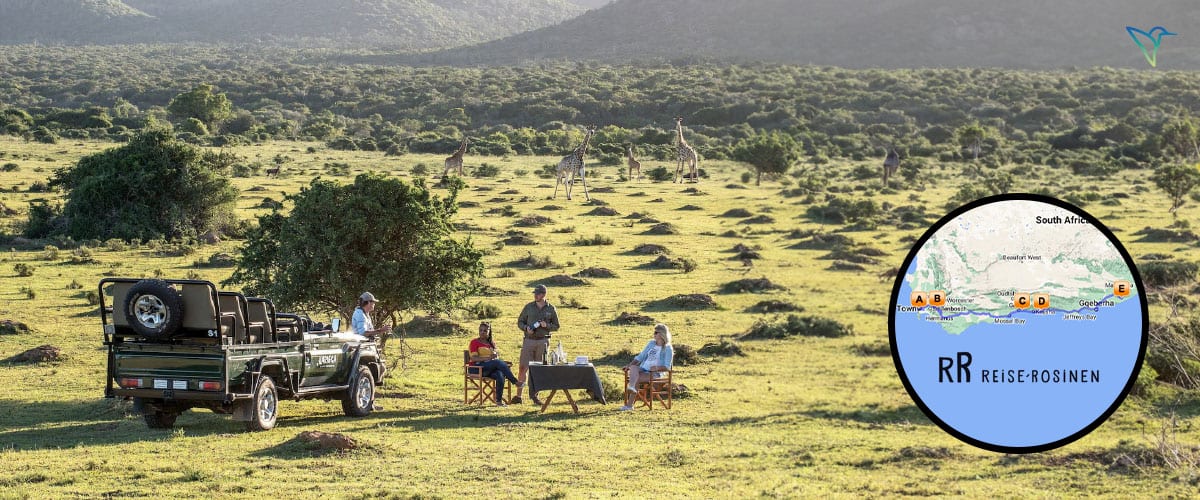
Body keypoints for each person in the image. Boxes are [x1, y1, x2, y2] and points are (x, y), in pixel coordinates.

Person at [512, 284, 559, 403]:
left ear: (543, 294)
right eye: (534, 293)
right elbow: (520, 322)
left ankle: (535, 396)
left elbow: (556, 326)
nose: (535, 295)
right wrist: (526, 328)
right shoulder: (528, 307)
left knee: (537, 369)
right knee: (523, 368)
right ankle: (518, 396)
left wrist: (546, 325)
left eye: (537, 293)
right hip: (528, 341)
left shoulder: (551, 309)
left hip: (543, 341)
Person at [619, 323, 674, 411]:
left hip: (654, 373)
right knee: (633, 367)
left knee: (635, 378)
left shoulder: (668, 349)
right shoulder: (651, 343)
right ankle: (632, 387)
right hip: (643, 368)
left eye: (656, 332)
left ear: (661, 334)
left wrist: (656, 368)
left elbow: (667, 367)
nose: (654, 334)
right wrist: (629, 365)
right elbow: (640, 357)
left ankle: (629, 405)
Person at [468, 322, 519, 406]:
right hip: (476, 368)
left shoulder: (491, 343)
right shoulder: (474, 342)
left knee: (500, 374)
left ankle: (498, 401)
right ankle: (515, 381)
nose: (482, 332)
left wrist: (503, 362)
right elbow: (474, 358)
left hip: (489, 369)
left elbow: (495, 359)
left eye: (485, 330)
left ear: (489, 331)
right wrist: (489, 358)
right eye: (480, 330)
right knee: (496, 362)